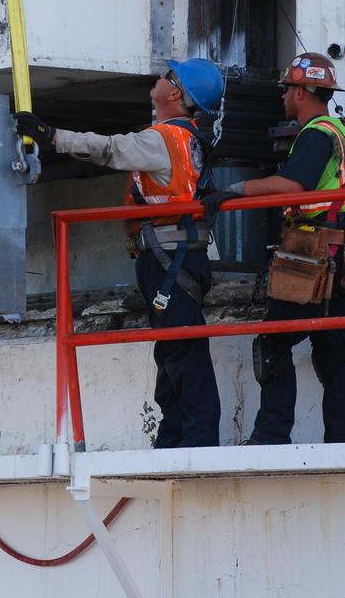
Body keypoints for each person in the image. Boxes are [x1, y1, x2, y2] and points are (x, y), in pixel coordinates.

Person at [15, 58, 225, 448]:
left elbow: (110, 149)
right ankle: (175, 440)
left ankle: (196, 445)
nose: (159, 79)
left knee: (184, 355)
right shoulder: (185, 137)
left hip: (170, 257)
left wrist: (51, 136)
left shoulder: (162, 139)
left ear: (175, 92)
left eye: (166, 76)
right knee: (175, 353)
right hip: (172, 256)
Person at [203, 53, 345, 445]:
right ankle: (344, 443)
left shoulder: (315, 133)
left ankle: (271, 436)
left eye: (286, 90)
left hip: (313, 256)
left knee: (274, 339)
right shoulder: (343, 131)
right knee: (335, 347)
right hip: (342, 252)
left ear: (301, 92)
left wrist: (233, 190)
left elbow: (295, 186)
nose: (282, 98)